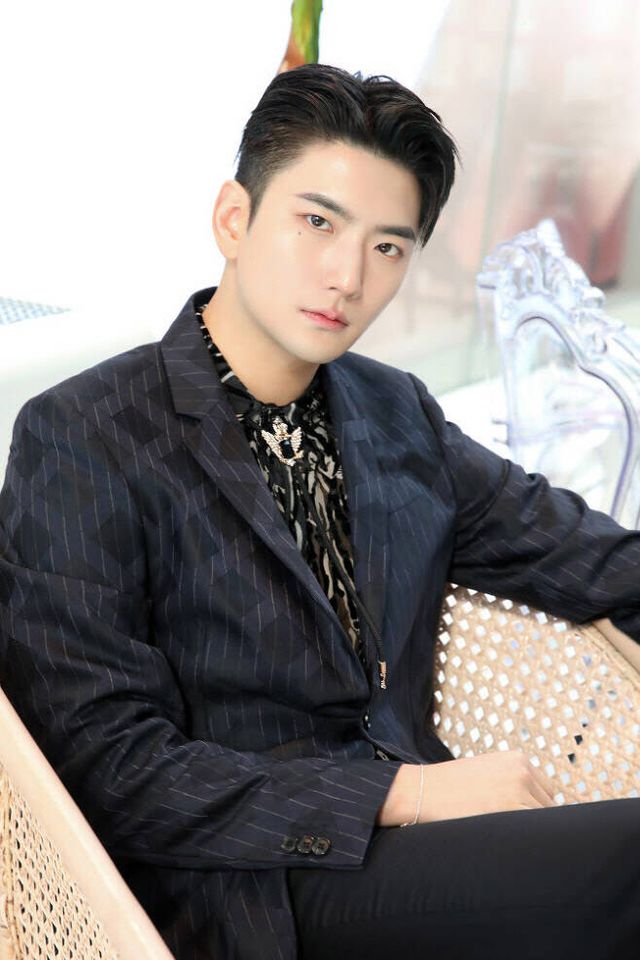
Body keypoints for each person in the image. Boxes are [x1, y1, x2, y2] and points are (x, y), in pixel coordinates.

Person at [0, 63, 639, 960]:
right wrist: (409, 796)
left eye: (388, 248)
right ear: (234, 219)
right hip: (245, 892)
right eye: (317, 223)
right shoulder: (82, 436)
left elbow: (598, 561)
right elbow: (110, 767)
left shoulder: (394, 413)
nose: (347, 276)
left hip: (420, 863)